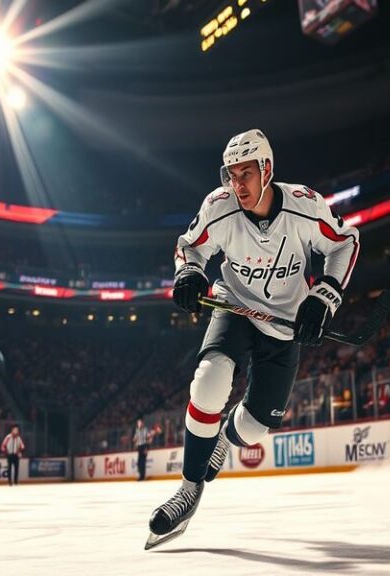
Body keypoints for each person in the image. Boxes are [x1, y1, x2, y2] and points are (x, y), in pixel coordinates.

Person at [148, 129, 359, 542]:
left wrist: (325, 295)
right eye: (232, 174)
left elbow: (346, 242)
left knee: (256, 428)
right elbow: (188, 246)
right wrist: (189, 271)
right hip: (234, 306)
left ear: (267, 169)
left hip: (284, 320)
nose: (238, 184)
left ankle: (226, 437)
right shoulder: (218, 206)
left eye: (246, 173)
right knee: (208, 381)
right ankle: (190, 489)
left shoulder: (306, 206)